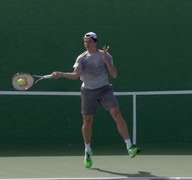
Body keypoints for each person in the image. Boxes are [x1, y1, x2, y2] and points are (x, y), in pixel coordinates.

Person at [51, 32, 140, 168]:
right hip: (88, 91)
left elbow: (114, 74)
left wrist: (106, 60)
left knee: (117, 113)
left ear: (95, 42)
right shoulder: (82, 58)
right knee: (87, 121)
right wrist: (61, 74)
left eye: (89, 41)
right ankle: (87, 150)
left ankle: (129, 146)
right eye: (84, 41)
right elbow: (76, 75)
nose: (86, 44)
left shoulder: (106, 55)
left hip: (105, 89)